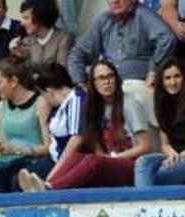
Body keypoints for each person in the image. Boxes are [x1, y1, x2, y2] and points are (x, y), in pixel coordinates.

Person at [20, 61, 154, 191]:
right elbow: (98, 147)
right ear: (94, 83)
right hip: (109, 163)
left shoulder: (130, 104)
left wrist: (112, 159)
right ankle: (47, 185)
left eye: (110, 76)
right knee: (76, 157)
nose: (106, 82)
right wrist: (105, 158)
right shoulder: (95, 107)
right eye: (101, 78)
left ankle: (51, 188)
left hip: (132, 165)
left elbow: (145, 146)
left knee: (92, 161)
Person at [68, 0, 174, 128]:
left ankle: (141, 145)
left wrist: (154, 70)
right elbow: (77, 54)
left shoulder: (143, 15)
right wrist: (83, 84)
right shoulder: (103, 20)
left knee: (131, 97)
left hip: (137, 83)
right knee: (75, 99)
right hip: (109, 84)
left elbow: (167, 38)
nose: (114, 1)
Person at [0, 58, 53, 193]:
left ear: (13, 81)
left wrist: (18, 150)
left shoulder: (41, 103)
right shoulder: (0, 107)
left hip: (33, 160)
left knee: (16, 180)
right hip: (9, 161)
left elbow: (49, 147)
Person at [31, 63, 88, 183]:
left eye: (43, 95)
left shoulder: (76, 99)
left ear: (49, 91)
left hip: (69, 162)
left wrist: (54, 173)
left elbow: (77, 139)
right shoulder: (57, 107)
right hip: (53, 158)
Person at [134, 58, 185, 186]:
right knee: (143, 162)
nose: (173, 82)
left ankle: (145, 199)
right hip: (174, 156)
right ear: (161, 82)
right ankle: (145, 200)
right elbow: (165, 144)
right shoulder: (161, 104)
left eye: (177, 76)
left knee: (153, 178)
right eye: (167, 78)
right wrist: (170, 152)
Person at [8, 1, 73, 68]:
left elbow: (61, 73)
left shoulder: (62, 40)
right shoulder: (26, 41)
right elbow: (18, 72)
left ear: (40, 17)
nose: (22, 23)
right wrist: (14, 53)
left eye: (26, 18)